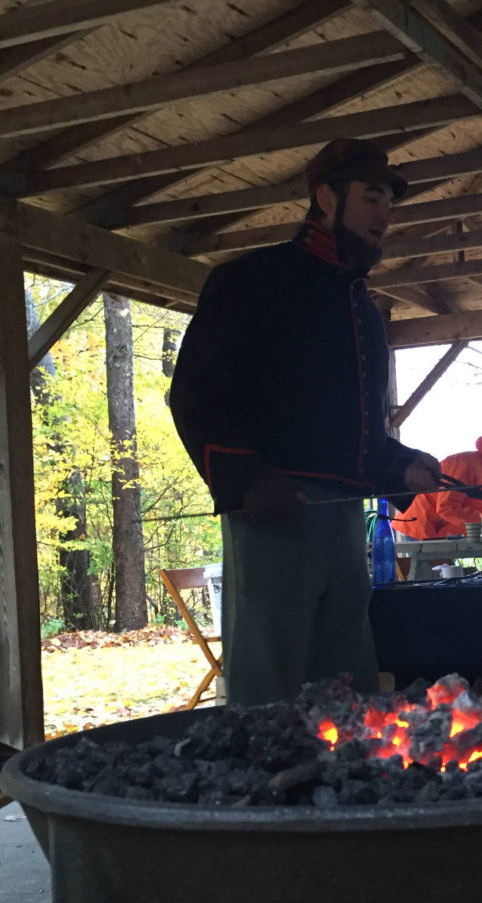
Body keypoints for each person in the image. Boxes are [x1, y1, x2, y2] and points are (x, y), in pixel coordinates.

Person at [168, 138, 441, 708]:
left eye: (389, 202)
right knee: (268, 686)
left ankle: (352, 790)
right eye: (371, 197)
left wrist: (401, 465)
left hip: (344, 525)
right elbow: (196, 395)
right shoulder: (250, 281)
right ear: (325, 197)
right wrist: (246, 484)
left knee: (350, 689)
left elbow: (357, 428)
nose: (384, 213)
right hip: (272, 517)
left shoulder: (364, 311)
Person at [394, 435, 482, 539]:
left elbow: (478, 517)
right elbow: (446, 507)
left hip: (439, 533)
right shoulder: (466, 465)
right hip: (419, 527)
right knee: (426, 579)